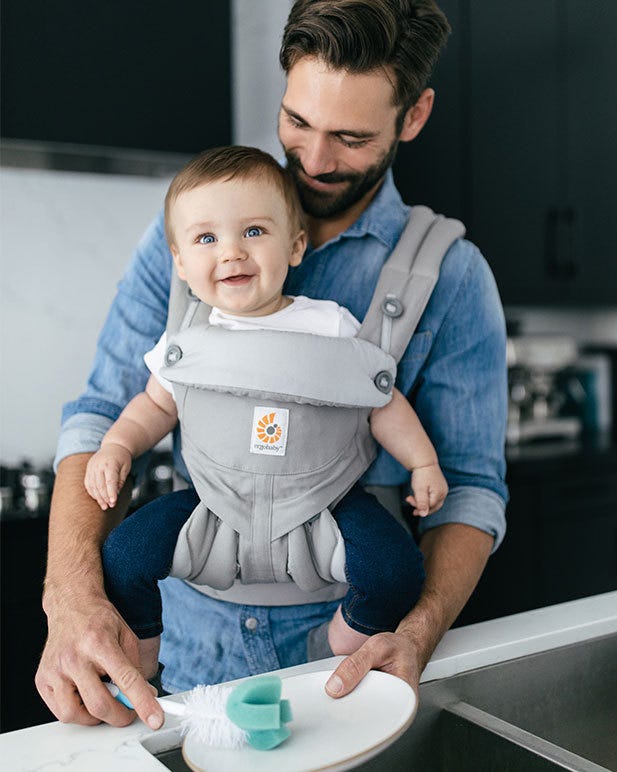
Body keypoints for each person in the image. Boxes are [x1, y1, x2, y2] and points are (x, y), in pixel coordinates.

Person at [36, 0, 508, 733]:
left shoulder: (447, 276)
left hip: (351, 675)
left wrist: (417, 631)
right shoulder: (187, 238)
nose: (314, 161)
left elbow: (471, 490)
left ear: (413, 116)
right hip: (189, 653)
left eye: (350, 138)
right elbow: (103, 414)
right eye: (297, 122)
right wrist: (70, 598)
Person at [83, 145, 448, 681]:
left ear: (295, 245)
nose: (231, 253)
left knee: (396, 570)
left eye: (253, 232)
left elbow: (381, 400)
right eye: (207, 238)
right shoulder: (187, 339)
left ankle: (337, 643)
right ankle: (142, 660)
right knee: (124, 555)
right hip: (211, 508)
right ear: (180, 263)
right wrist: (116, 446)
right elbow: (156, 404)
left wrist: (423, 463)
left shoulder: (331, 325)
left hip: (325, 507)